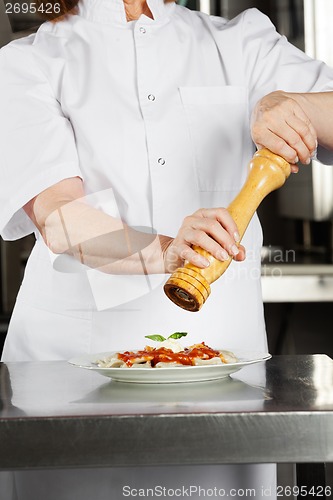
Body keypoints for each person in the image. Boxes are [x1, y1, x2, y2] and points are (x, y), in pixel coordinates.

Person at [1, 0, 333, 498]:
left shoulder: (242, 41)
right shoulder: (27, 62)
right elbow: (60, 217)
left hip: (225, 379)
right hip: (70, 386)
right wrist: (168, 252)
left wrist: (291, 104)